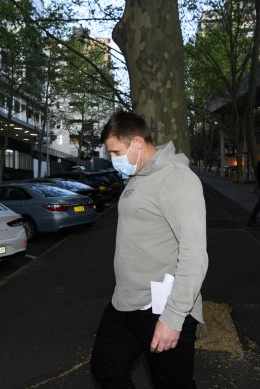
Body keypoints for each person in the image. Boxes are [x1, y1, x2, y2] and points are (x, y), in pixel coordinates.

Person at [90, 109, 209, 389]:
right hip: (125, 303)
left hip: (161, 307)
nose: (113, 159)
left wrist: (173, 318)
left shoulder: (177, 179)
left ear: (138, 143)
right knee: (106, 369)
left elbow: (194, 256)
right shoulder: (138, 176)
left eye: (116, 152)